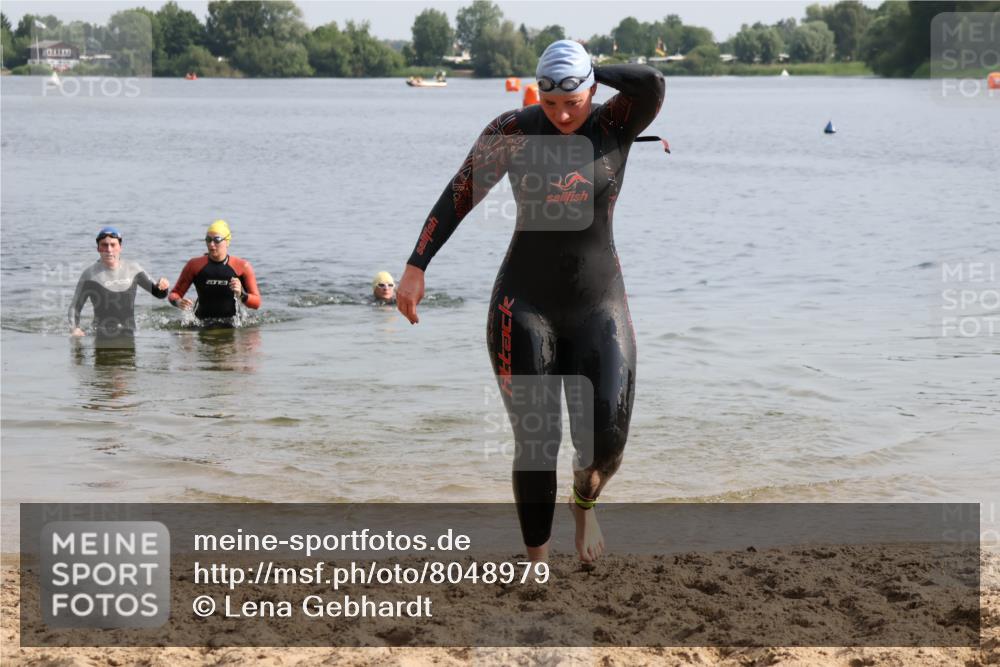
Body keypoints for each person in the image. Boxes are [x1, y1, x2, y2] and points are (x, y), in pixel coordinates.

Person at [396, 40, 664, 563]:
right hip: (523, 304)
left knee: (605, 446)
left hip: (598, 306)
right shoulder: (513, 133)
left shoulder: (615, 124)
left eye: (573, 102)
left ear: (592, 89)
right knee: (539, 440)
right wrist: (416, 265)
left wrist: (591, 68)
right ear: (536, 94)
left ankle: (583, 501)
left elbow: (652, 82)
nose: (562, 115)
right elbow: (459, 194)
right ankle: (536, 559)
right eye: (550, 103)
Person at [69, 226, 170, 340]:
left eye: (113, 245)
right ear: (98, 248)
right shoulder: (90, 274)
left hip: (129, 333)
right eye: (104, 245)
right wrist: (74, 328)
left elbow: (159, 294)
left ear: (120, 247)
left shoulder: (133, 268)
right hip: (101, 336)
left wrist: (163, 285)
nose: (109, 250)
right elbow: (75, 308)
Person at [168, 220, 261, 324]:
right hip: (201, 323)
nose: (211, 244)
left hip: (232, 324)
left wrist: (242, 294)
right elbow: (174, 294)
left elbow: (256, 303)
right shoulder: (194, 265)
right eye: (208, 239)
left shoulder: (242, 266)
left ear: (227, 241)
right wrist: (179, 302)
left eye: (217, 240)